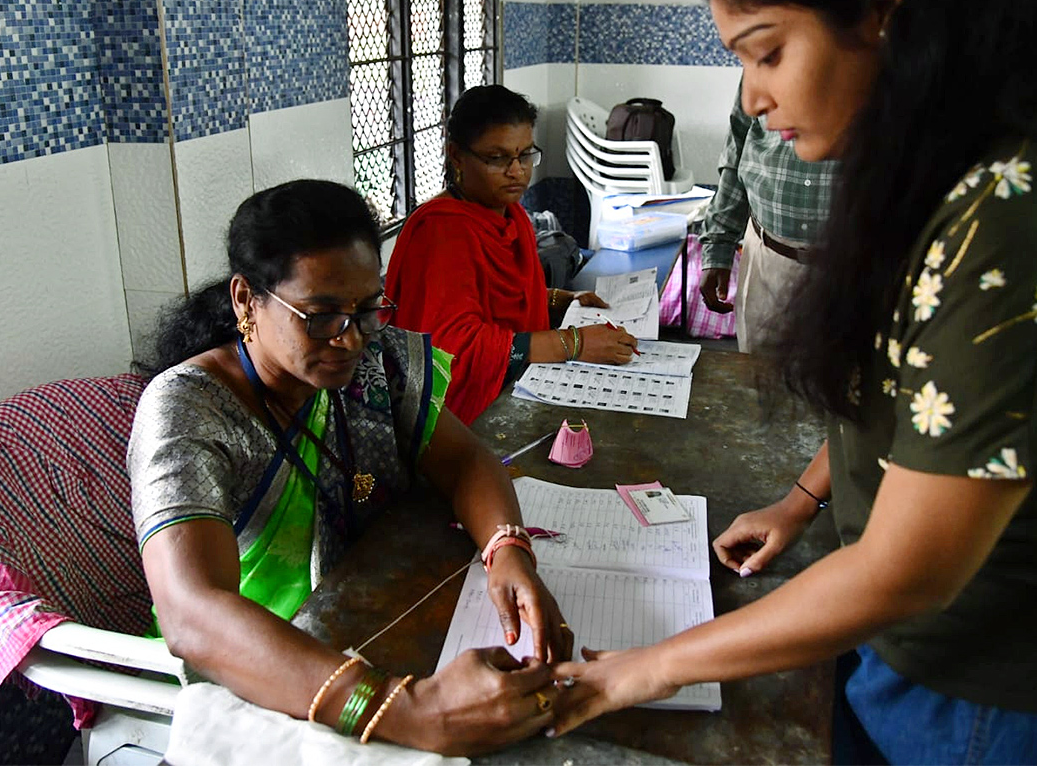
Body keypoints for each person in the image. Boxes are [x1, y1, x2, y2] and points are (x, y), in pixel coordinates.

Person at [549, 0, 1037, 763]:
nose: (753, 100)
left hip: (986, 689)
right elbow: (919, 396)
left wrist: (635, 671)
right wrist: (802, 501)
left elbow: (910, 568)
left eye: (767, 52)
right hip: (906, 649)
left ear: (882, 9)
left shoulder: (1009, 211)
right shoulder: (942, 160)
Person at [128, 179, 574, 757]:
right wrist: (401, 710)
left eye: (368, 310)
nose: (349, 338)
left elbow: (465, 462)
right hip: (254, 671)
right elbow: (194, 614)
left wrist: (506, 551)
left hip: (366, 625)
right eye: (320, 316)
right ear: (246, 301)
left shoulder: (372, 360)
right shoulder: (189, 407)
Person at [385, 84, 637, 424]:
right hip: (455, 423)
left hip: (517, 386)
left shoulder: (511, 214)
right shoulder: (440, 231)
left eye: (525, 155)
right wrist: (573, 343)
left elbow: (495, 304)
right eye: (497, 158)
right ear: (456, 155)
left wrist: (559, 299)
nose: (517, 171)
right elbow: (452, 349)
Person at [699, 81, 838, 353]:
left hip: (856, 271)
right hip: (766, 261)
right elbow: (739, 142)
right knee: (757, 383)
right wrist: (718, 243)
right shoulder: (763, 55)